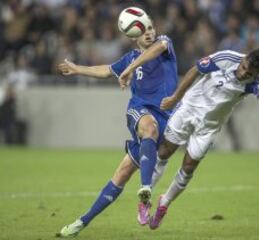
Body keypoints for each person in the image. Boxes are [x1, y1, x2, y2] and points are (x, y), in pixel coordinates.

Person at [57, 17, 178, 237]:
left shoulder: (164, 44)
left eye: (150, 28)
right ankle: (146, 190)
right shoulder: (131, 57)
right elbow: (106, 70)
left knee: (121, 174)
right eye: (143, 31)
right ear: (133, 36)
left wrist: (130, 68)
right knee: (149, 127)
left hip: (167, 118)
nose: (149, 33)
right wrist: (78, 69)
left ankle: (81, 222)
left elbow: (157, 48)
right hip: (140, 112)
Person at [147, 49, 259, 229]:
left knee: (189, 166)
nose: (244, 73)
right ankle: (146, 195)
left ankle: (164, 203)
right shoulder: (226, 57)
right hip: (189, 108)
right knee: (165, 151)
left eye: (249, 73)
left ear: (257, 73)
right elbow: (195, 70)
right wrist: (176, 97)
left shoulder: (257, 81)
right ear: (243, 59)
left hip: (209, 126)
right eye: (244, 67)